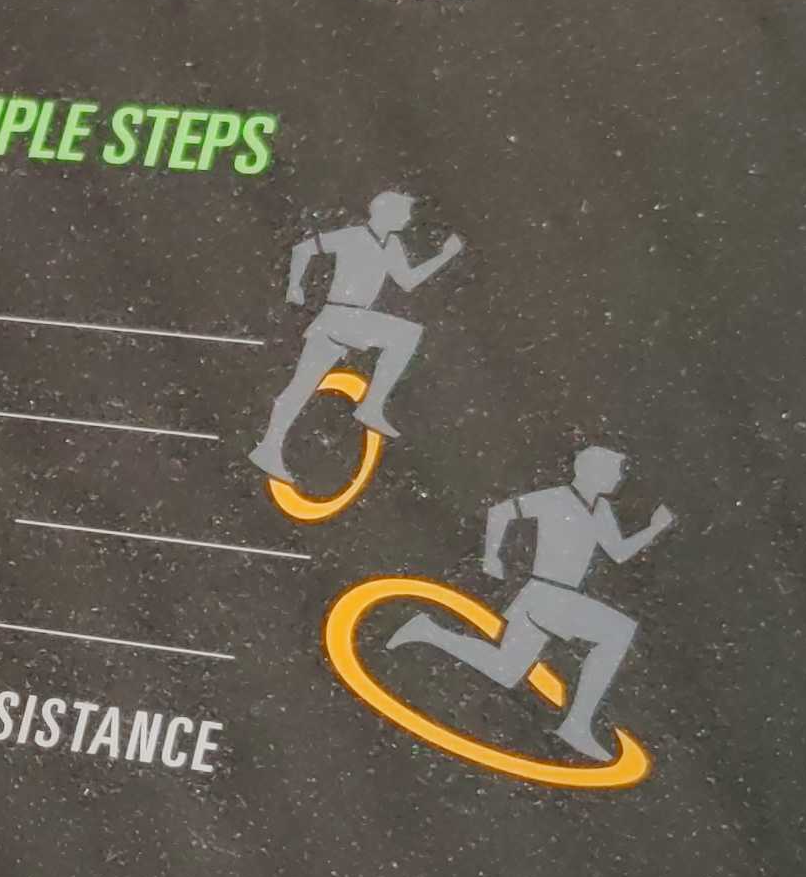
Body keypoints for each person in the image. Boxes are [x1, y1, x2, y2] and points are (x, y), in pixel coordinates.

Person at [392, 444, 674, 762]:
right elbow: (502, 512)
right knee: (618, 631)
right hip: (547, 596)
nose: (619, 477)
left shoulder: (601, 510)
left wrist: (654, 528)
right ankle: (577, 724)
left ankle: (428, 631)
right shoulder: (556, 499)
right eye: (613, 470)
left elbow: (618, 552)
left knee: (505, 668)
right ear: (592, 472)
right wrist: (491, 557)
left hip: (553, 598)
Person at [249, 192, 461, 480]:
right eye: (404, 212)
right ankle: (367, 407)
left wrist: (445, 256)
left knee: (302, 385)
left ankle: (271, 447)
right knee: (404, 335)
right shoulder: (353, 236)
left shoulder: (391, 244)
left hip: (352, 320)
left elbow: (407, 282)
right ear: (385, 212)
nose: (408, 219)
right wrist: (294, 287)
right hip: (340, 316)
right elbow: (303, 249)